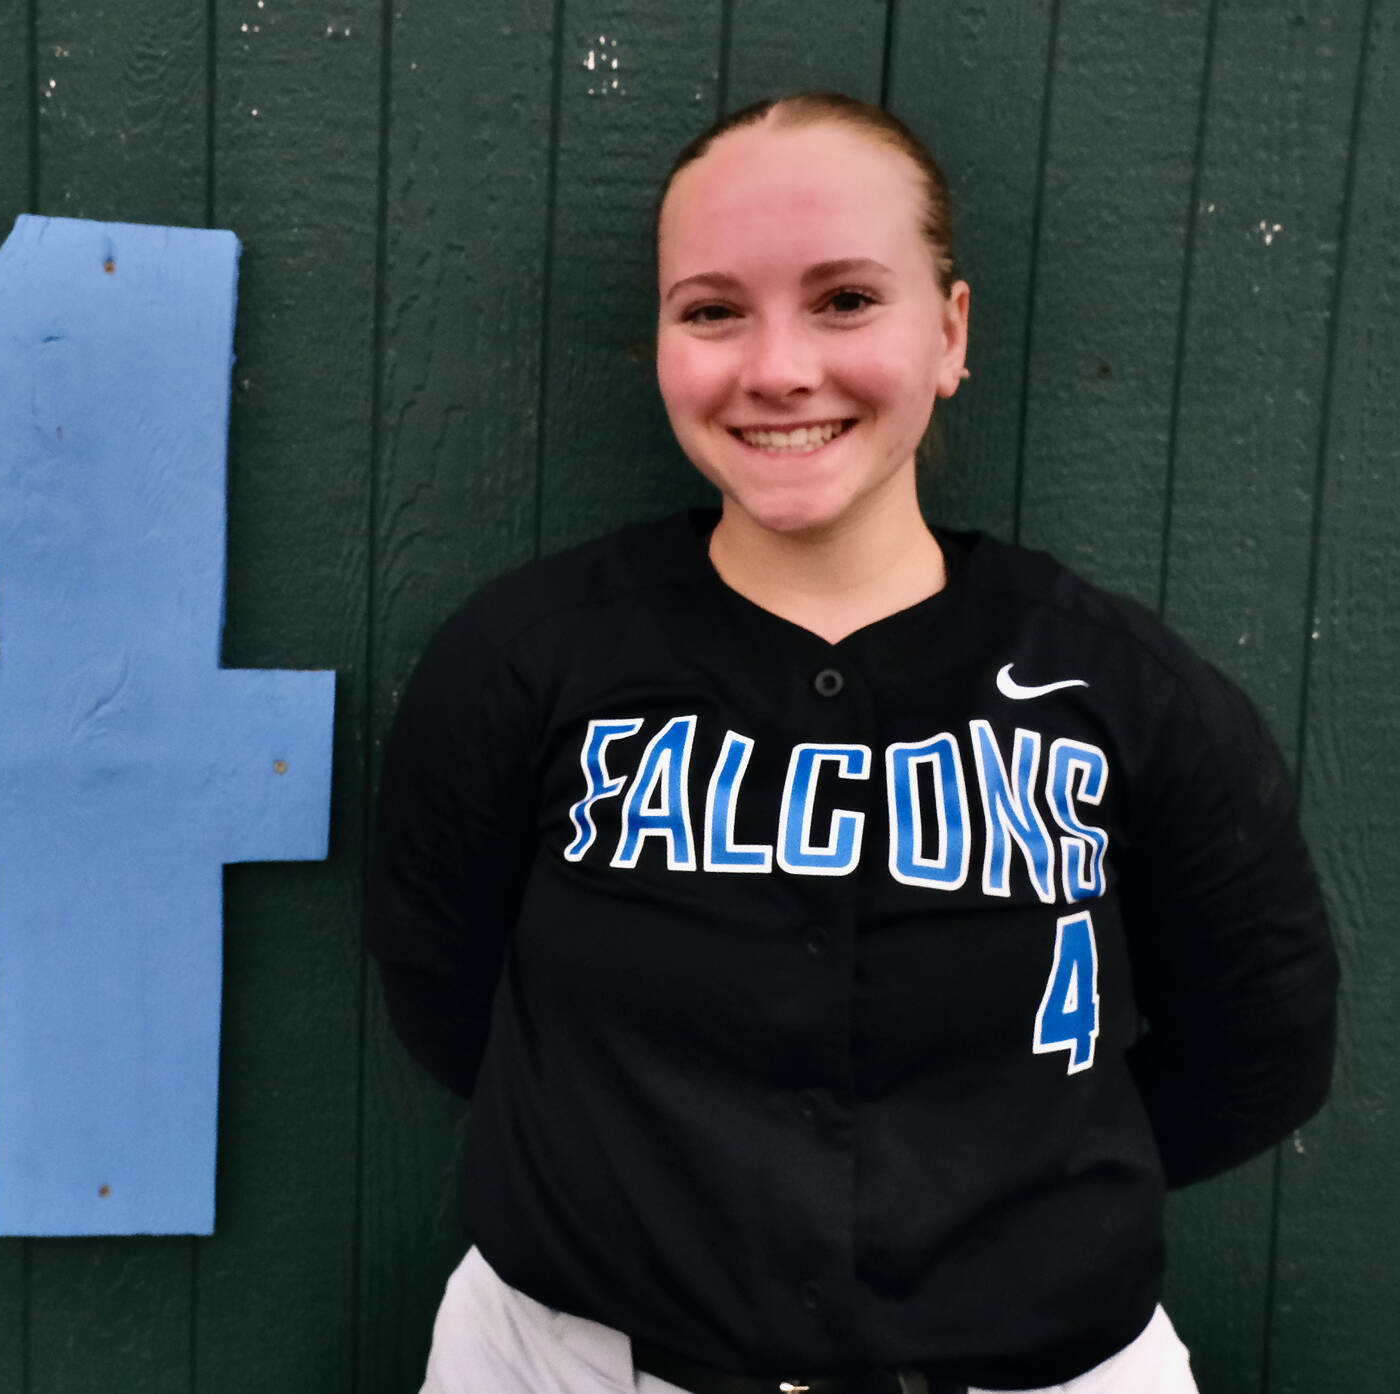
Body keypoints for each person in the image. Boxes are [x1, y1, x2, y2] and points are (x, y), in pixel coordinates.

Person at [364, 92, 1337, 1394]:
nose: (776, 367)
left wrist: (1015, 1209)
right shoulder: (527, 657)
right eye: (712, 309)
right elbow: (443, 986)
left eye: (844, 300)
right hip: (573, 1360)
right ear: (661, 341)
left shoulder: (1124, 689)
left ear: (950, 332)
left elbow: (1260, 1035)